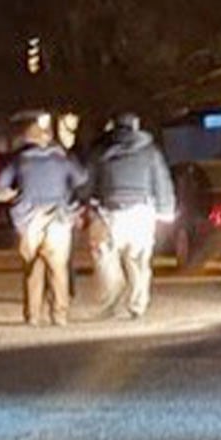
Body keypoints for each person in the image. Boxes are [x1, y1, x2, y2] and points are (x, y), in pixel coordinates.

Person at [0, 113, 88, 327]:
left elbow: (0, 185)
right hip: (59, 216)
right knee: (58, 267)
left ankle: (33, 315)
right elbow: (81, 179)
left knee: (33, 267)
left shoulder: (19, 160)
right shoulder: (63, 159)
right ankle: (60, 314)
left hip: (29, 218)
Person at [89, 113, 175, 320]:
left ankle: (110, 299)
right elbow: (162, 182)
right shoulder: (150, 152)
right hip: (141, 213)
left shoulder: (101, 151)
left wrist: (91, 202)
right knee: (138, 261)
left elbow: (90, 181)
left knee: (108, 260)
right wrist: (166, 210)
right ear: (136, 127)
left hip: (110, 212)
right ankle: (137, 304)